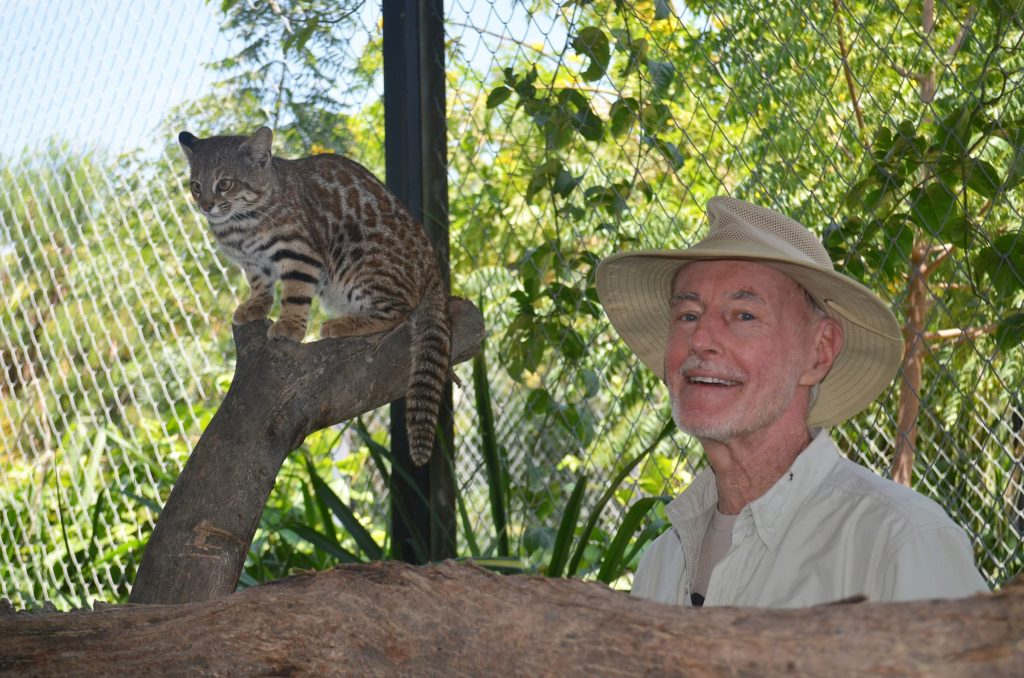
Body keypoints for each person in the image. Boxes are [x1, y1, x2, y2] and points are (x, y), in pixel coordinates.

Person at [596, 196, 989, 608]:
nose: (700, 339)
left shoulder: (899, 542)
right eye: (688, 315)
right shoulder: (662, 563)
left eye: (744, 315)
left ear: (819, 352)